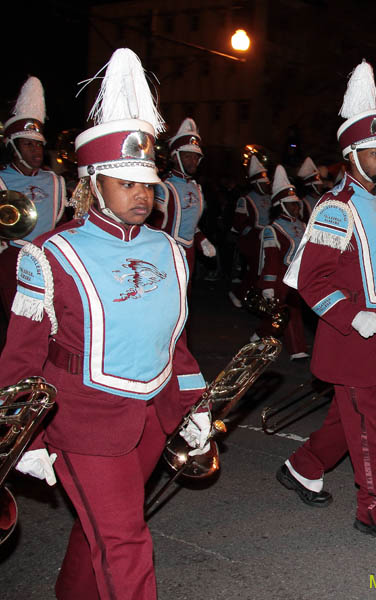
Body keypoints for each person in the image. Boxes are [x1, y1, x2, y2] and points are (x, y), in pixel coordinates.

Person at [2, 48, 208, 599]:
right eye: (127, 183)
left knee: (103, 527)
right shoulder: (49, 253)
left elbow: (175, 345)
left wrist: (195, 406)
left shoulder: (170, 249)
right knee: (125, 539)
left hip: (151, 414)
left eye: (147, 183)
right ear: (94, 182)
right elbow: (20, 359)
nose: (142, 194)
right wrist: (26, 437)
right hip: (83, 418)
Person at [277, 60, 376, 545]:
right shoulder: (337, 206)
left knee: (348, 416)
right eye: (374, 151)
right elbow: (311, 279)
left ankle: (303, 466)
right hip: (349, 333)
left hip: (375, 329)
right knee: (368, 423)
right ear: (351, 154)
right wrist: (352, 314)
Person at [0, 77, 66, 317]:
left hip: (48, 258)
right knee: (18, 322)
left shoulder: (55, 181)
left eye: (38, 145)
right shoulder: (2, 180)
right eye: (28, 145)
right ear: (14, 149)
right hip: (12, 257)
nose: (36, 151)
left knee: (51, 321)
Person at [150, 117, 216, 278]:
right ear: (175, 157)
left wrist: (201, 239)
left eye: (196, 157)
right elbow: (153, 227)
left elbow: (190, 224)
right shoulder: (163, 187)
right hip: (166, 255)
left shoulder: (196, 188)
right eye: (188, 156)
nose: (193, 161)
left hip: (189, 252)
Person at [255, 165, 309, 359]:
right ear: (281, 205)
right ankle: (265, 339)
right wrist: (268, 286)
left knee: (291, 312)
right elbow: (271, 260)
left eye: (297, 204)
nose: (296, 207)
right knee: (279, 312)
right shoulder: (272, 229)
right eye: (291, 204)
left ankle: (294, 347)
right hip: (280, 277)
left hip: (297, 275)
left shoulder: (303, 225)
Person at [228, 153, 271, 308]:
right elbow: (239, 223)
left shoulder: (271, 197)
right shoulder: (246, 199)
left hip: (268, 239)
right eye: (263, 183)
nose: (267, 185)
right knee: (255, 270)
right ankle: (239, 293)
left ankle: (256, 297)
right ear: (256, 183)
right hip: (254, 240)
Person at [296, 156, 323, 222]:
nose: (321, 186)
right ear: (312, 186)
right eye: (318, 185)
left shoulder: (322, 200)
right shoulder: (303, 204)